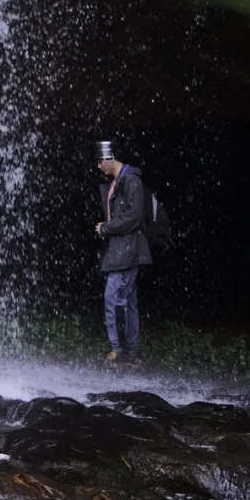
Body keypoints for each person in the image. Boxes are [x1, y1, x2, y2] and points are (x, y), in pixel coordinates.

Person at [94, 138, 152, 364]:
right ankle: (130, 352)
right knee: (127, 298)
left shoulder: (131, 181)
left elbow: (133, 217)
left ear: (109, 158)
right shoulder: (118, 181)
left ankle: (120, 350)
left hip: (129, 249)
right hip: (120, 248)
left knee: (115, 297)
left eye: (100, 161)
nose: (99, 166)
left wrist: (106, 228)